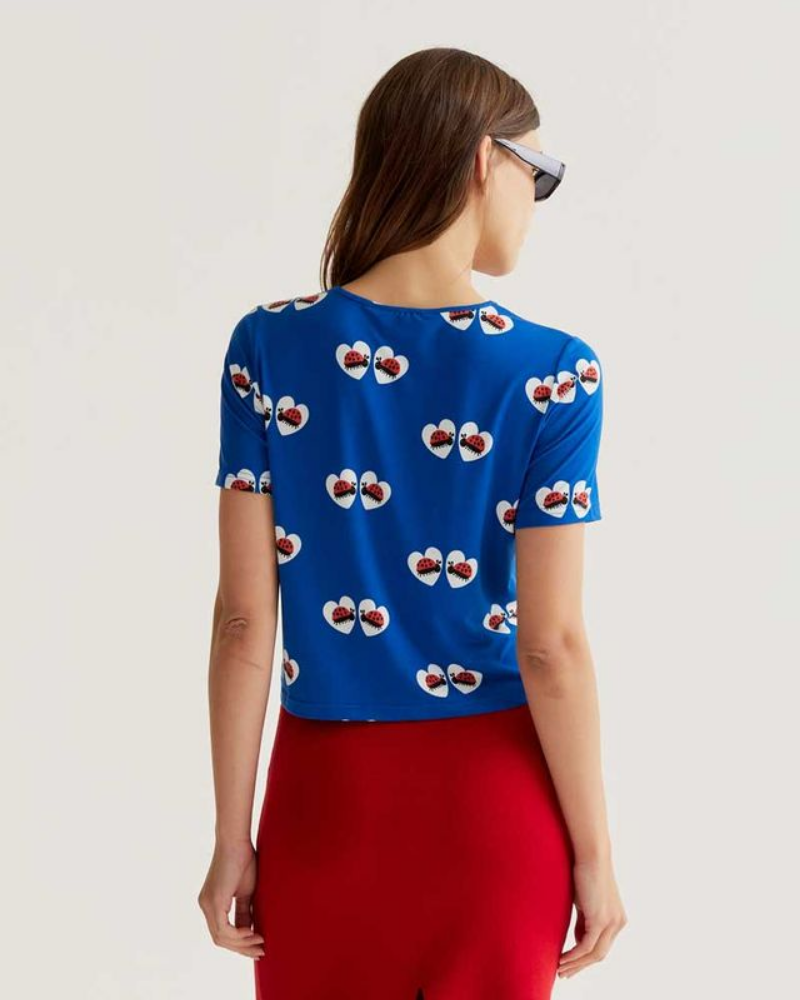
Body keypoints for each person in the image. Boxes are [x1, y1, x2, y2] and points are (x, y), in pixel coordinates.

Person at [197, 46, 627, 1000]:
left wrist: (233, 838)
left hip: (324, 806)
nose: (535, 201)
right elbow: (551, 646)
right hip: (495, 816)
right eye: (536, 172)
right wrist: (594, 854)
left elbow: (242, 623)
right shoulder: (555, 374)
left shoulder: (268, 347)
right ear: (484, 159)